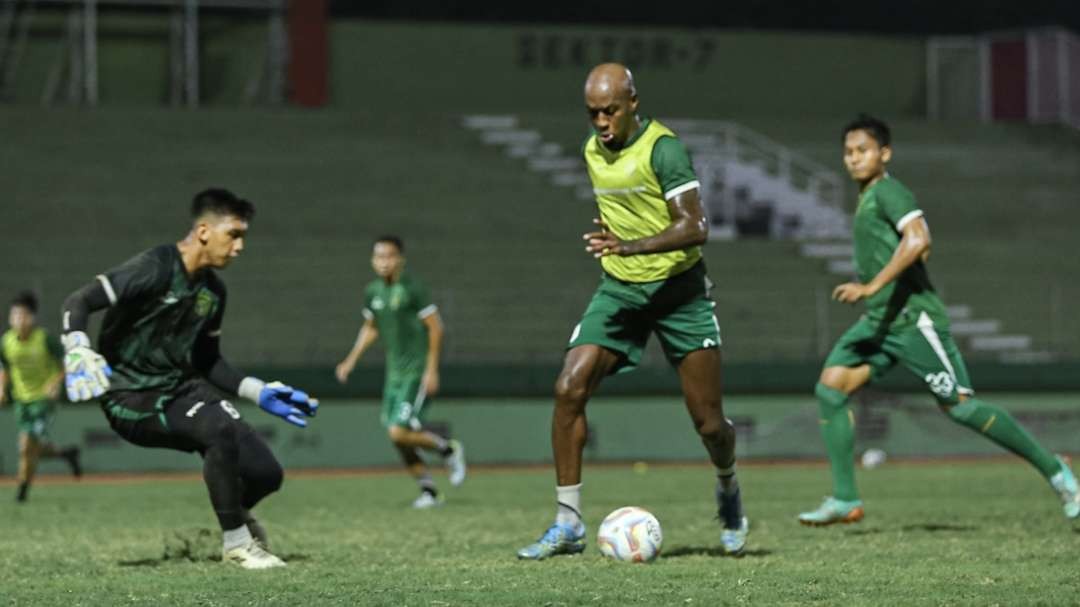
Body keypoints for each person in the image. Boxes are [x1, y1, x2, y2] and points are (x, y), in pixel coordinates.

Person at [798, 115, 1080, 525]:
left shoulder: (889, 191)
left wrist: (872, 286)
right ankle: (845, 499)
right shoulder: (869, 196)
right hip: (880, 324)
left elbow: (920, 239)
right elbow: (916, 242)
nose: (854, 159)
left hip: (914, 321)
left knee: (961, 407)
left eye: (863, 150)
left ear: (885, 153)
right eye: (848, 152)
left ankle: (1057, 471)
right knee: (831, 389)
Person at [517, 63, 748, 560]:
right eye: (593, 113)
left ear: (633, 103)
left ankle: (728, 488)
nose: (601, 121)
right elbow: (621, 208)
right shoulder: (590, 151)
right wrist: (614, 237)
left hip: (679, 291)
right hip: (621, 290)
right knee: (568, 387)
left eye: (610, 111)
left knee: (709, 424)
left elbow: (696, 225)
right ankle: (568, 523)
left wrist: (630, 245)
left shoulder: (664, 149)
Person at [59, 188, 319, 569]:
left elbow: (206, 359)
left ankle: (234, 516)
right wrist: (77, 347)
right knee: (218, 427)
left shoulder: (213, 292)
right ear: (203, 231)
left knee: (265, 473)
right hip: (131, 397)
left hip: (181, 388)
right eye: (234, 234)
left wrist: (257, 390)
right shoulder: (155, 266)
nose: (240, 246)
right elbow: (78, 301)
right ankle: (236, 544)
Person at [335, 236, 466, 508]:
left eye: (389, 256)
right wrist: (350, 361)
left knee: (399, 431)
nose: (384, 262)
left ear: (400, 259)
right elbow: (371, 327)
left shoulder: (413, 288)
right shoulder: (373, 291)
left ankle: (447, 448)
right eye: (379, 257)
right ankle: (429, 492)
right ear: (372, 261)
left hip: (415, 372)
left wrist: (432, 370)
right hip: (393, 375)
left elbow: (436, 328)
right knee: (397, 437)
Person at [0, 291, 81, 502]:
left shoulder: (44, 339)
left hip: (43, 401)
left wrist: (55, 384)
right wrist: (1, 389)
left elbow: (66, 363)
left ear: (32, 317)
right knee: (35, 448)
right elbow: (5, 368)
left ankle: (22, 489)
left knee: (26, 444)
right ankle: (66, 454)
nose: (19, 320)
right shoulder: (6, 342)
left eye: (24, 315)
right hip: (21, 401)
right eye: (15, 315)